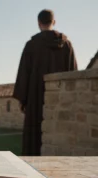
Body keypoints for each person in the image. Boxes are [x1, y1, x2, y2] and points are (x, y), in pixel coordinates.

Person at [13, 9, 77, 156]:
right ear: (53, 22)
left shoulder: (31, 45)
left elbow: (24, 75)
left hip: (35, 102)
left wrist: (23, 101)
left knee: (33, 144)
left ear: (38, 23)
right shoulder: (66, 45)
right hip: (61, 103)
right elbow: (73, 76)